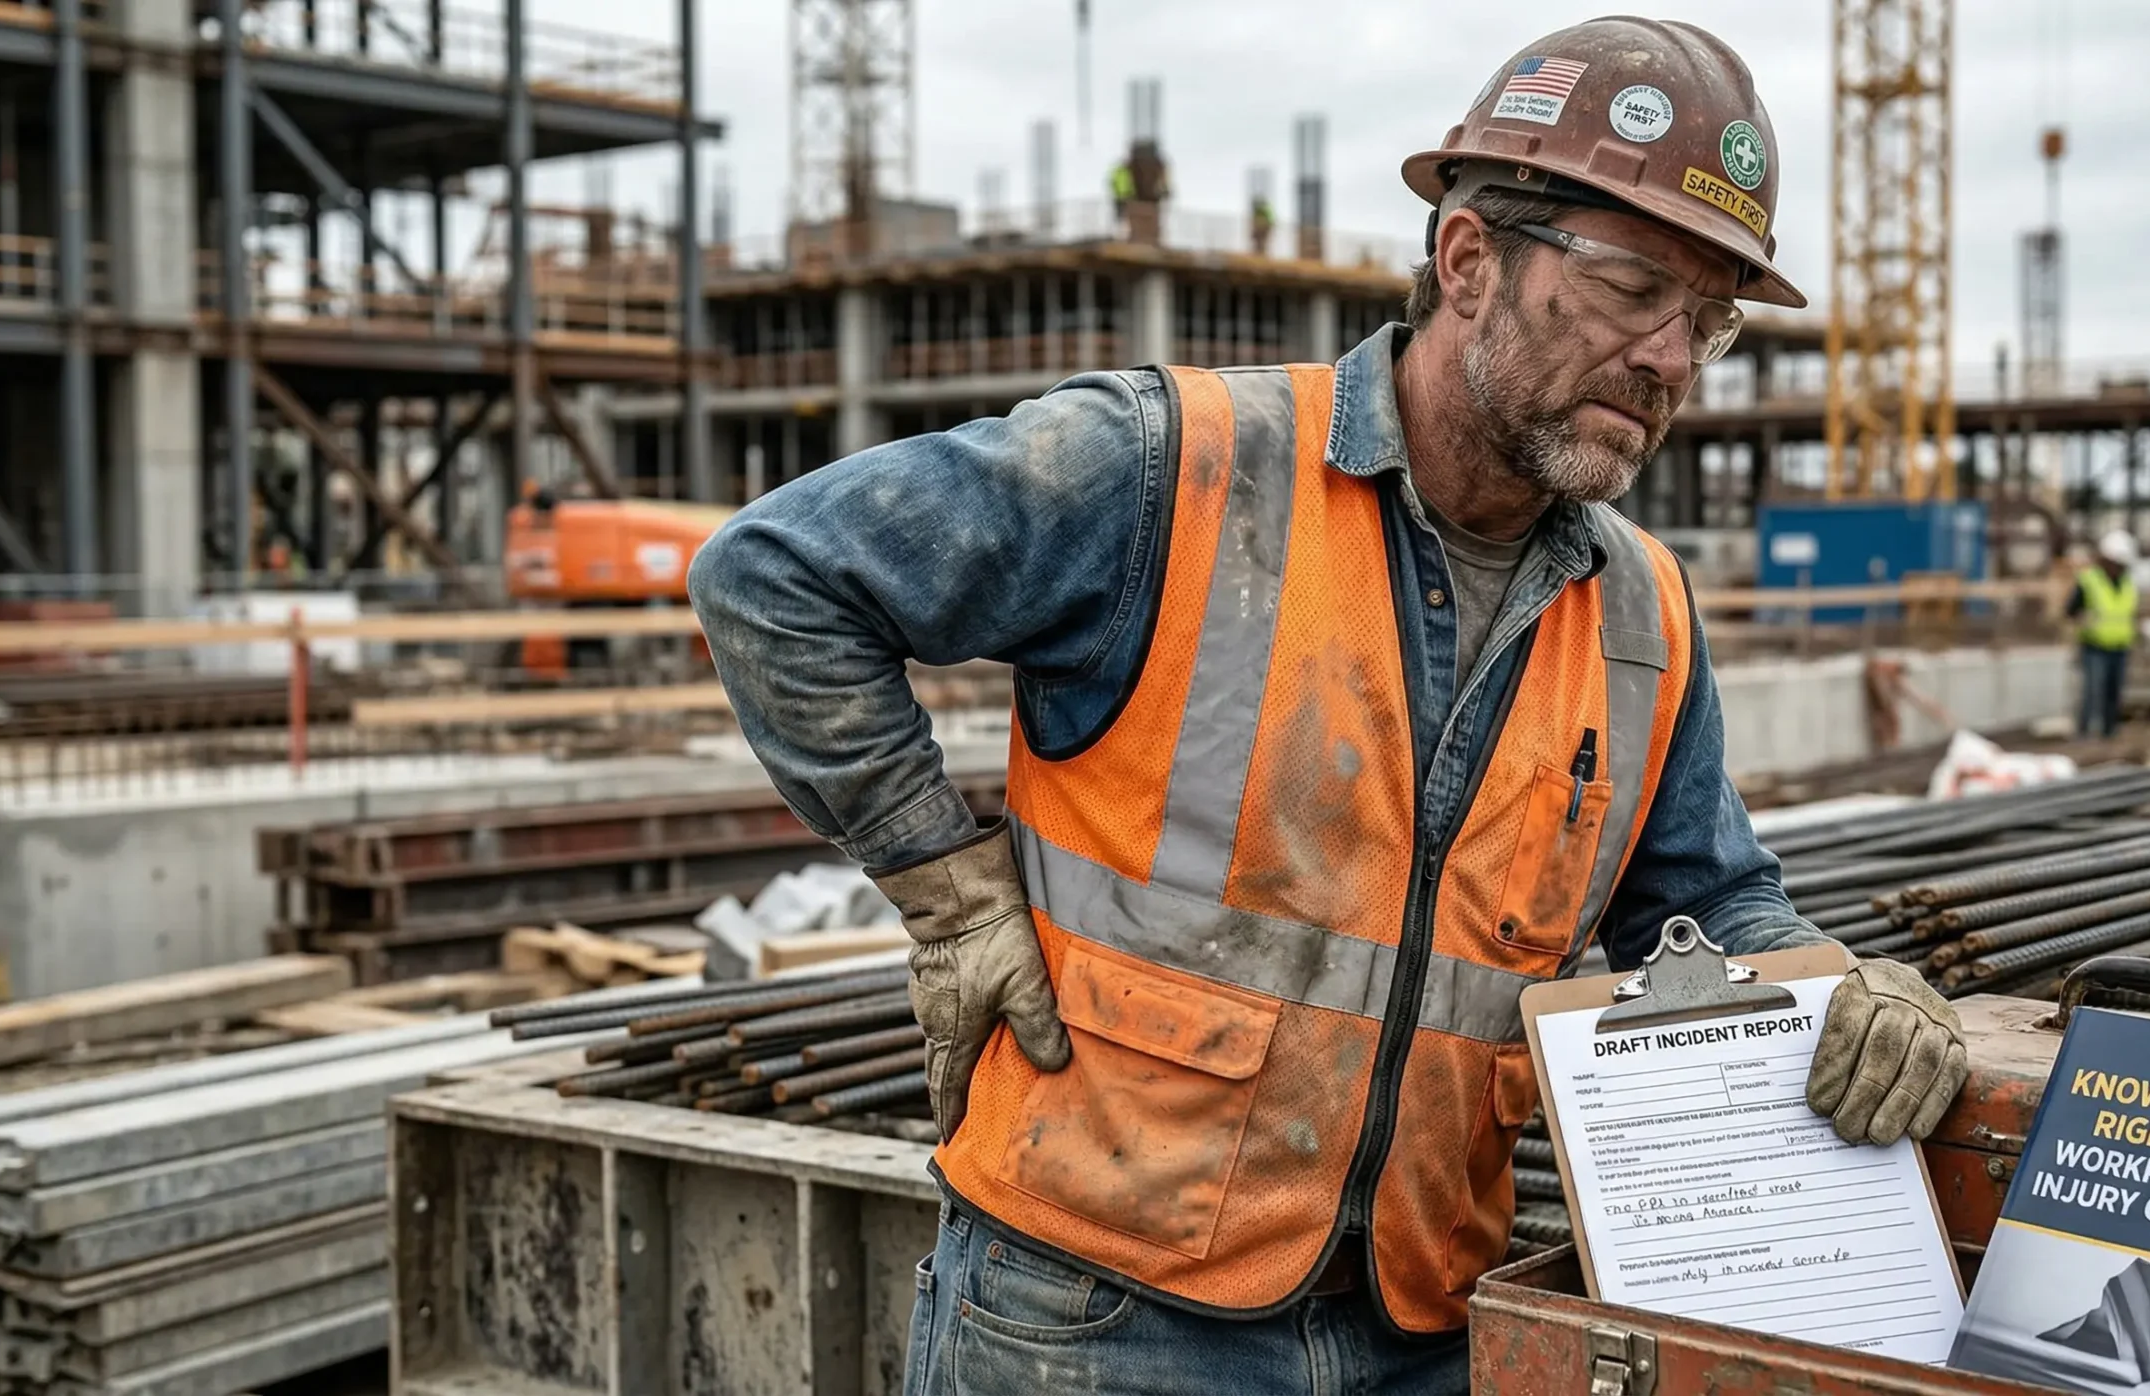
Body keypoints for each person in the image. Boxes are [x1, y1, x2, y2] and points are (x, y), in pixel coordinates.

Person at [689, 18, 1968, 1394]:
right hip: (1096, 1310)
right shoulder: (1174, 468)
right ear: (1468, 260)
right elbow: (775, 575)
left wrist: (1843, 988)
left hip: (1420, 1318)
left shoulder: (1643, 611)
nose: (1669, 357)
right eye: (1629, 288)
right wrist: (950, 897)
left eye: (1706, 322)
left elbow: (1705, 901)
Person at [2068, 530, 2139, 737]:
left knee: (2113, 692)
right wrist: (2083, 620)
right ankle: (2084, 733)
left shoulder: (2128, 583)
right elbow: (2071, 610)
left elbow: (2130, 612)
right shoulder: (2089, 580)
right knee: (2093, 692)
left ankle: (2110, 733)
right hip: (2095, 645)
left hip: (2120, 646)